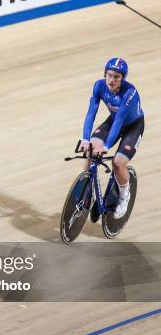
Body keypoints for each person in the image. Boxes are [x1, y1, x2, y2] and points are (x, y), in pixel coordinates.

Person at [81, 58, 144, 219]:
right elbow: (91, 114)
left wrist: (107, 146)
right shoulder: (99, 86)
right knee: (90, 150)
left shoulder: (129, 92)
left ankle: (124, 196)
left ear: (122, 78)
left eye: (116, 77)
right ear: (105, 74)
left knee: (117, 163)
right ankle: (86, 190)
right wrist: (85, 139)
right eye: (109, 75)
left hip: (132, 127)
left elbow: (119, 121)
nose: (112, 80)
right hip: (113, 122)